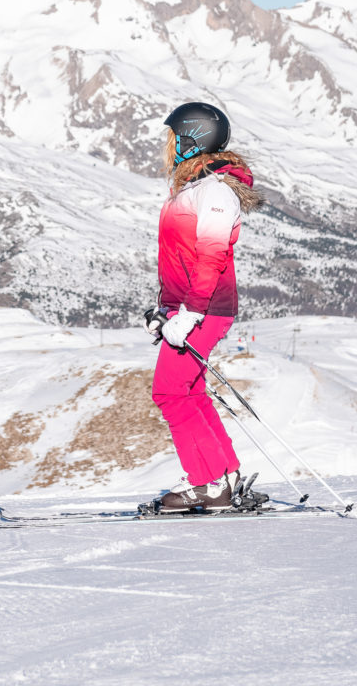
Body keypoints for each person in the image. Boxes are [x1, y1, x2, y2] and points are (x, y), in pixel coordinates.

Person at [148, 101, 262, 511]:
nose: (167, 145)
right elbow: (179, 256)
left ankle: (209, 483)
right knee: (190, 391)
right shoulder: (194, 188)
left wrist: (190, 313)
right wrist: (165, 310)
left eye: (174, 137)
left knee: (170, 392)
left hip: (207, 308)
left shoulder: (214, 192)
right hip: (193, 307)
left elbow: (210, 258)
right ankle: (224, 473)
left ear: (192, 140)